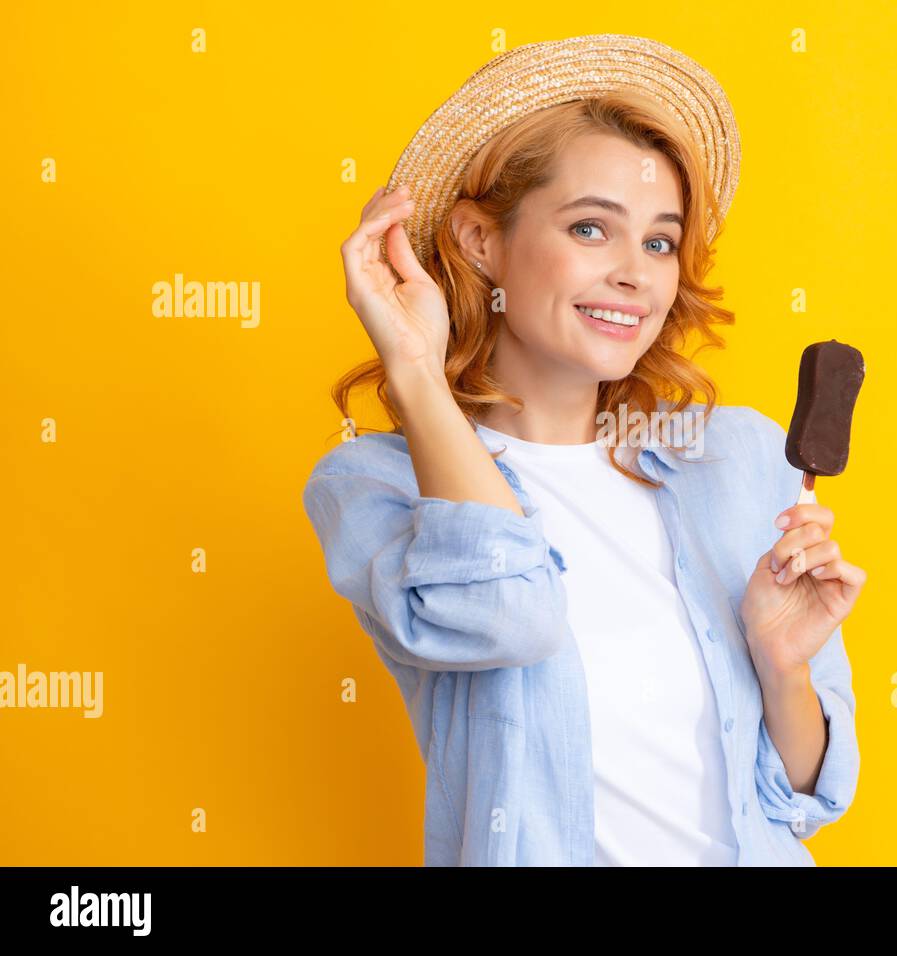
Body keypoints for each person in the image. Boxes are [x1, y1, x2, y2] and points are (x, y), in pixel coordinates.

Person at [302, 34, 866, 866]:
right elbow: (508, 617)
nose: (635, 274)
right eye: (592, 228)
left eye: (660, 242)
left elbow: (806, 794)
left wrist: (782, 666)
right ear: (479, 242)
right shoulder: (375, 487)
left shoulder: (736, 459)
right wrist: (416, 373)